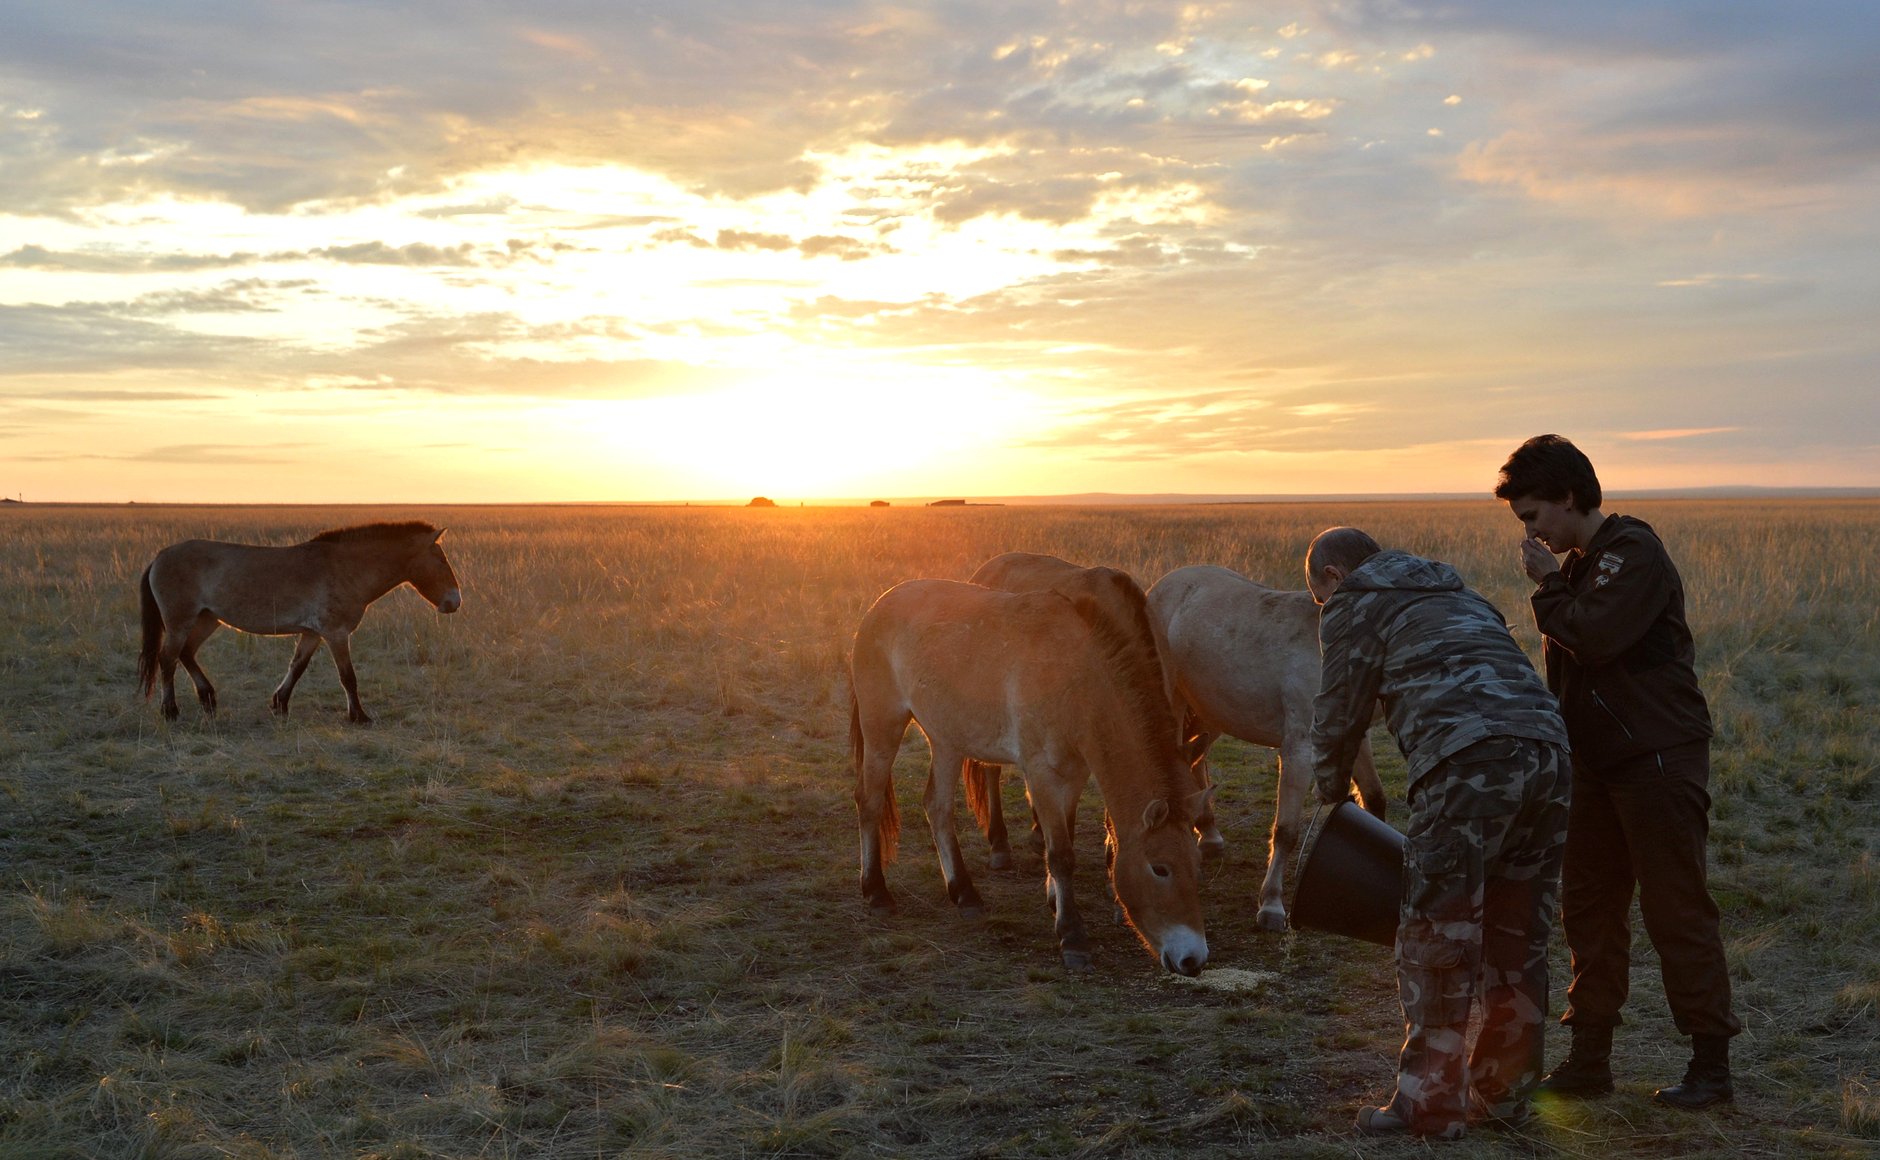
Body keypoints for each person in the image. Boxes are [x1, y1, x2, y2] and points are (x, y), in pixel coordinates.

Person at [1495, 434, 1740, 1110]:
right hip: (1598, 765)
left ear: (1570, 498)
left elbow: (1594, 636)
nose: (1532, 532)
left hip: (1657, 760)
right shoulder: (1584, 564)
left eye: (1534, 515)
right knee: (1590, 911)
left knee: (1676, 910)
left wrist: (1546, 582)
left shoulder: (1632, 553)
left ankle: (1712, 1069)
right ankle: (1588, 1061)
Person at [1306, 527, 1572, 1139]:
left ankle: (1427, 1106)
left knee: (1436, 936)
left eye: (1319, 597)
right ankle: (1505, 1098)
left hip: (1467, 764)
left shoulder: (1353, 601)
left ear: (1332, 578)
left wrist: (1329, 801)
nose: (1324, 610)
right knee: (1519, 933)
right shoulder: (1461, 592)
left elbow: (1338, 713)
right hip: (1550, 755)